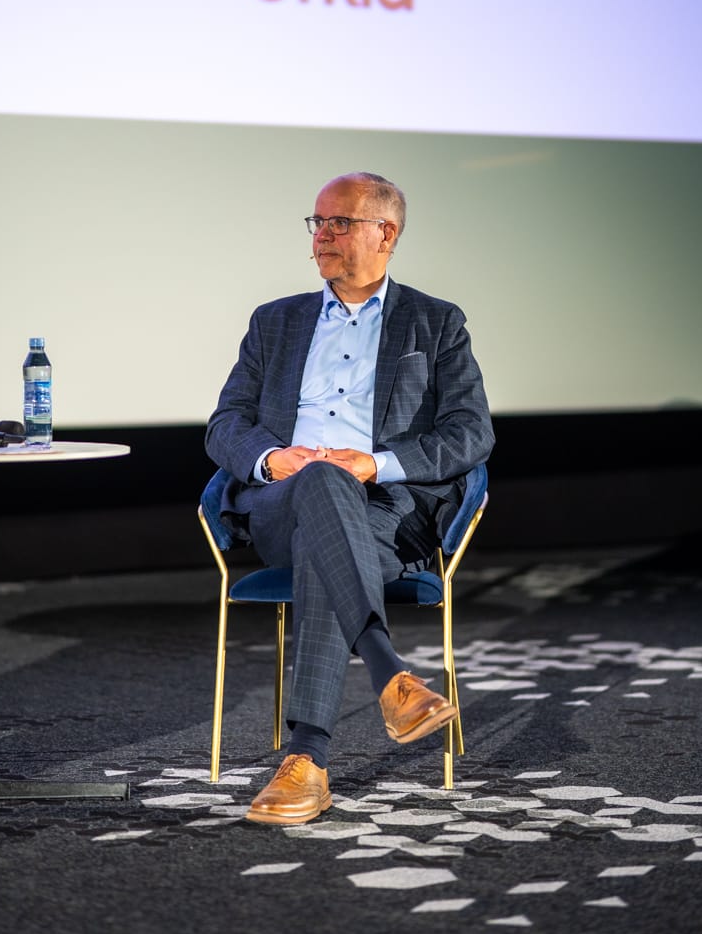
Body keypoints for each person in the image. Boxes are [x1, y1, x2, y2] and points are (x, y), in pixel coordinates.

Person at [205, 171, 494, 824]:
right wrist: (274, 459)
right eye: (318, 223)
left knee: (329, 533)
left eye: (339, 223)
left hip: (387, 515)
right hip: (282, 504)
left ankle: (307, 762)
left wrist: (375, 462)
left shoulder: (435, 322)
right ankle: (390, 675)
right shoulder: (275, 321)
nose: (322, 236)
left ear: (385, 233)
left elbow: (471, 433)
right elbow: (225, 424)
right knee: (319, 484)